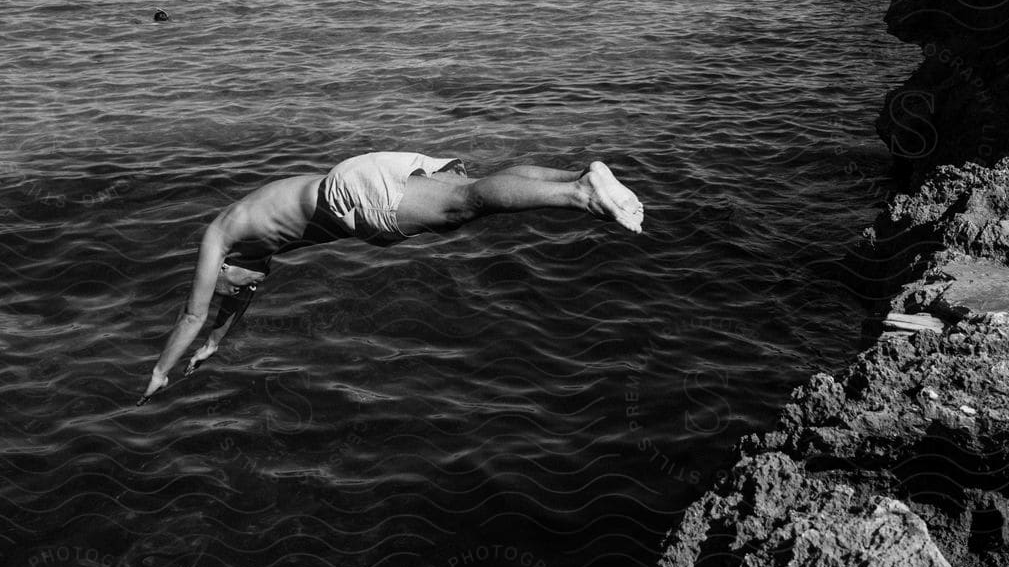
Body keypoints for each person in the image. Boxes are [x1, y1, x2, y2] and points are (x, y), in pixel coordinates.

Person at [139, 151, 644, 402]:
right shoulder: (250, 238)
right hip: (361, 173)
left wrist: (161, 371)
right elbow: (232, 302)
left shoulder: (218, 238)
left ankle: (580, 194)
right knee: (471, 194)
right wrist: (215, 346)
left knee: (462, 206)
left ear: (220, 267)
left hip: (351, 196)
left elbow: (193, 312)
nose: (245, 288)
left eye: (236, 284)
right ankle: (578, 177)